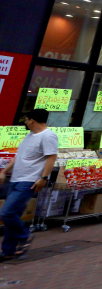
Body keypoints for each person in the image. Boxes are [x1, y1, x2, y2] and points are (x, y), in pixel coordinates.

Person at [0, 109, 57, 260]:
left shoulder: (48, 136)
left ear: (32, 120)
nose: (24, 122)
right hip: (16, 179)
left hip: (29, 181)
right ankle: (8, 251)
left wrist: (43, 177)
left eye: (26, 119)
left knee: (6, 213)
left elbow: (51, 157)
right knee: (13, 214)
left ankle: (25, 235)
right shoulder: (29, 135)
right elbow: (18, 157)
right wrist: (4, 171)